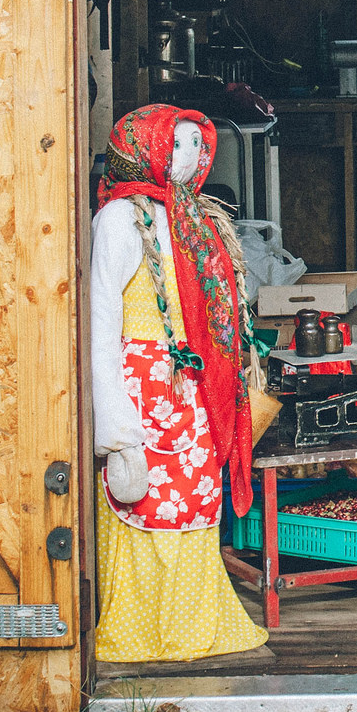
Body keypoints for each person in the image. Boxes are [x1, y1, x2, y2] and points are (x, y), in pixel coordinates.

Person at [90, 105, 268, 663]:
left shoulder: (192, 218)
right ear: (145, 148)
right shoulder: (120, 220)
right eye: (180, 144)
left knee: (195, 499)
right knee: (145, 501)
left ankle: (194, 624)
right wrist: (115, 424)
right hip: (145, 384)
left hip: (192, 384)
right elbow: (101, 319)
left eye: (198, 144)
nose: (194, 156)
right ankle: (142, 631)